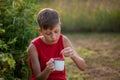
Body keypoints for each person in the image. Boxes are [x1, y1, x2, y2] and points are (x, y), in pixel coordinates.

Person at [27, 8, 86, 80]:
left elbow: (83, 67)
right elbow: (38, 78)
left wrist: (73, 55)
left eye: (56, 31)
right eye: (48, 33)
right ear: (40, 31)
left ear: (60, 26)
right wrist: (47, 70)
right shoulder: (33, 47)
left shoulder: (63, 40)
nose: (53, 37)